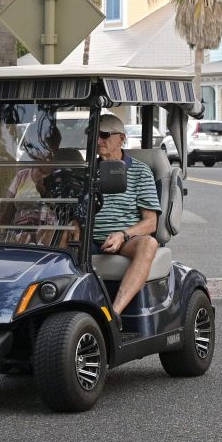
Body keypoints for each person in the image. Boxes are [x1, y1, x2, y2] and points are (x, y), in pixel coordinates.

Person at [91, 112, 160, 316]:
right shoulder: (87, 171)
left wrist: (123, 235)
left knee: (149, 243)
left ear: (121, 138)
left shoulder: (140, 171)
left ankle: (113, 314)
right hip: (86, 238)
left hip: (125, 240)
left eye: (104, 134)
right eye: (94, 134)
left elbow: (151, 222)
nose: (98, 140)